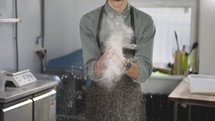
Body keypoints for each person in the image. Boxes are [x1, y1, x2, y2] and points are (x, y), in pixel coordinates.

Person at [80, 0, 156, 121]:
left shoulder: (145, 22)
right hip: (99, 102)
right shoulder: (88, 21)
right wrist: (105, 59)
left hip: (130, 105)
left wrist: (124, 63)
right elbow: (90, 71)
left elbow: (144, 72)